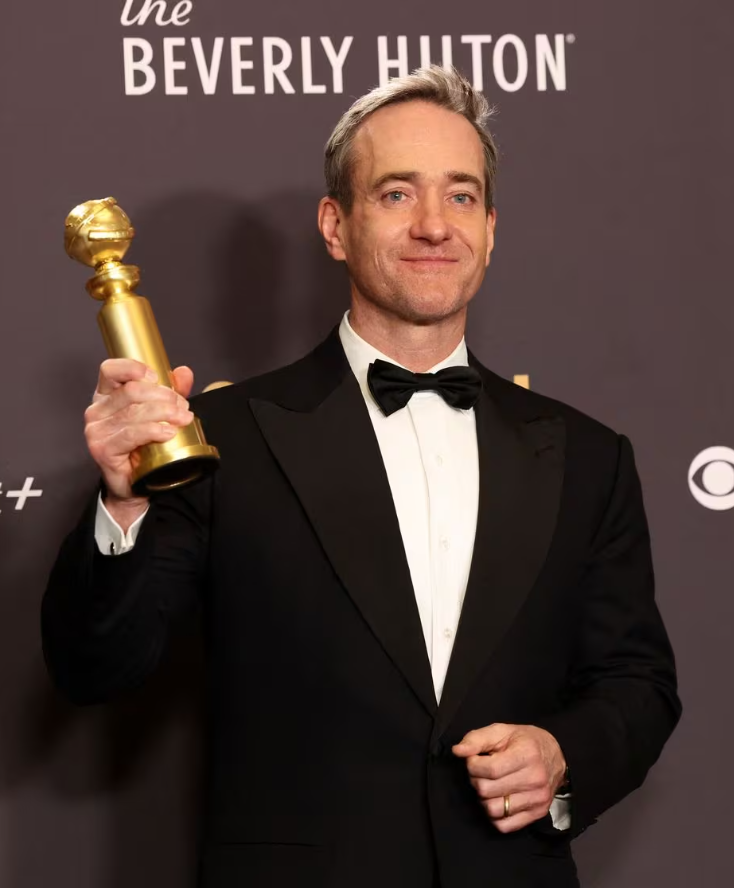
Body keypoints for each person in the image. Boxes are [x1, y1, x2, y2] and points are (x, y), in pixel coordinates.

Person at [42, 66, 680, 888]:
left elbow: (638, 684)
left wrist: (562, 755)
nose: (432, 225)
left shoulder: (590, 456)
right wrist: (123, 501)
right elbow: (97, 666)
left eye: (459, 197)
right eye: (394, 194)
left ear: (490, 228)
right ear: (334, 226)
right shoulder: (223, 439)